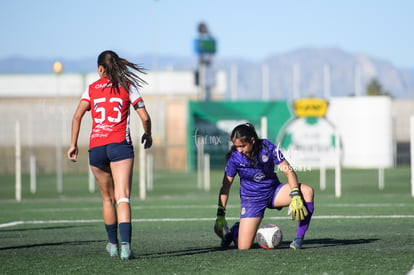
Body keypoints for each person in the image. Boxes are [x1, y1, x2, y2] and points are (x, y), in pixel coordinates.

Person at [67, 50, 152, 259]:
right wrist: (148, 134)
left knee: (107, 199)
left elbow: (77, 116)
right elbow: (145, 117)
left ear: (100, 69)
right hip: (119, 147)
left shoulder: (91, 89)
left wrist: (73, 144)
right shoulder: (128, 86)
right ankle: (125, 248)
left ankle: (112, 245)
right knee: (122, 197)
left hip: (96, 149)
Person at [214, 123, 314, 250]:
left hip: (274, 192)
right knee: (243, 247)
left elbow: (289, 171)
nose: (239, 149)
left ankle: (299, 238)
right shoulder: (235, 158)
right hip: (252, 199)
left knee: (307, 191)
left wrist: (295, 195)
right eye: (236, 146)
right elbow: (225, 187)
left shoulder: (267, 147)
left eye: (242, 146)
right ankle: (235, 231)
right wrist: (220, 214)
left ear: (252, 140)